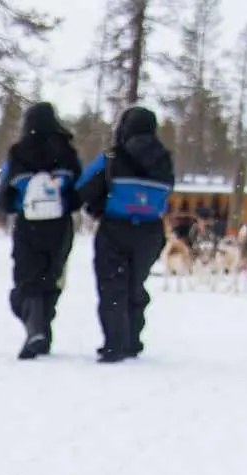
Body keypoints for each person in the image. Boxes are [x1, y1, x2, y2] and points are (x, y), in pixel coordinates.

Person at [77, 105, 175, 364]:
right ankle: (132, 339)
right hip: (151, 230)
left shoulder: (113, 157)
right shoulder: (164, 159)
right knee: (135, 284)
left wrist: (94, 206)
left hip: (115, 228)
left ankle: (115, 343)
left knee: (112, 286)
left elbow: (85, 188)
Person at [0, 101, 83, 360]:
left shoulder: (18, 152)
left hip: (28, 224)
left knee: (26, 278)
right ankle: (42, 329)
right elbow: (79, 188)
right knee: (51, 276)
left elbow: (3, 192)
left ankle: (35, 329)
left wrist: (11, 205)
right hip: (60, 225)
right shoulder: (67, 151)